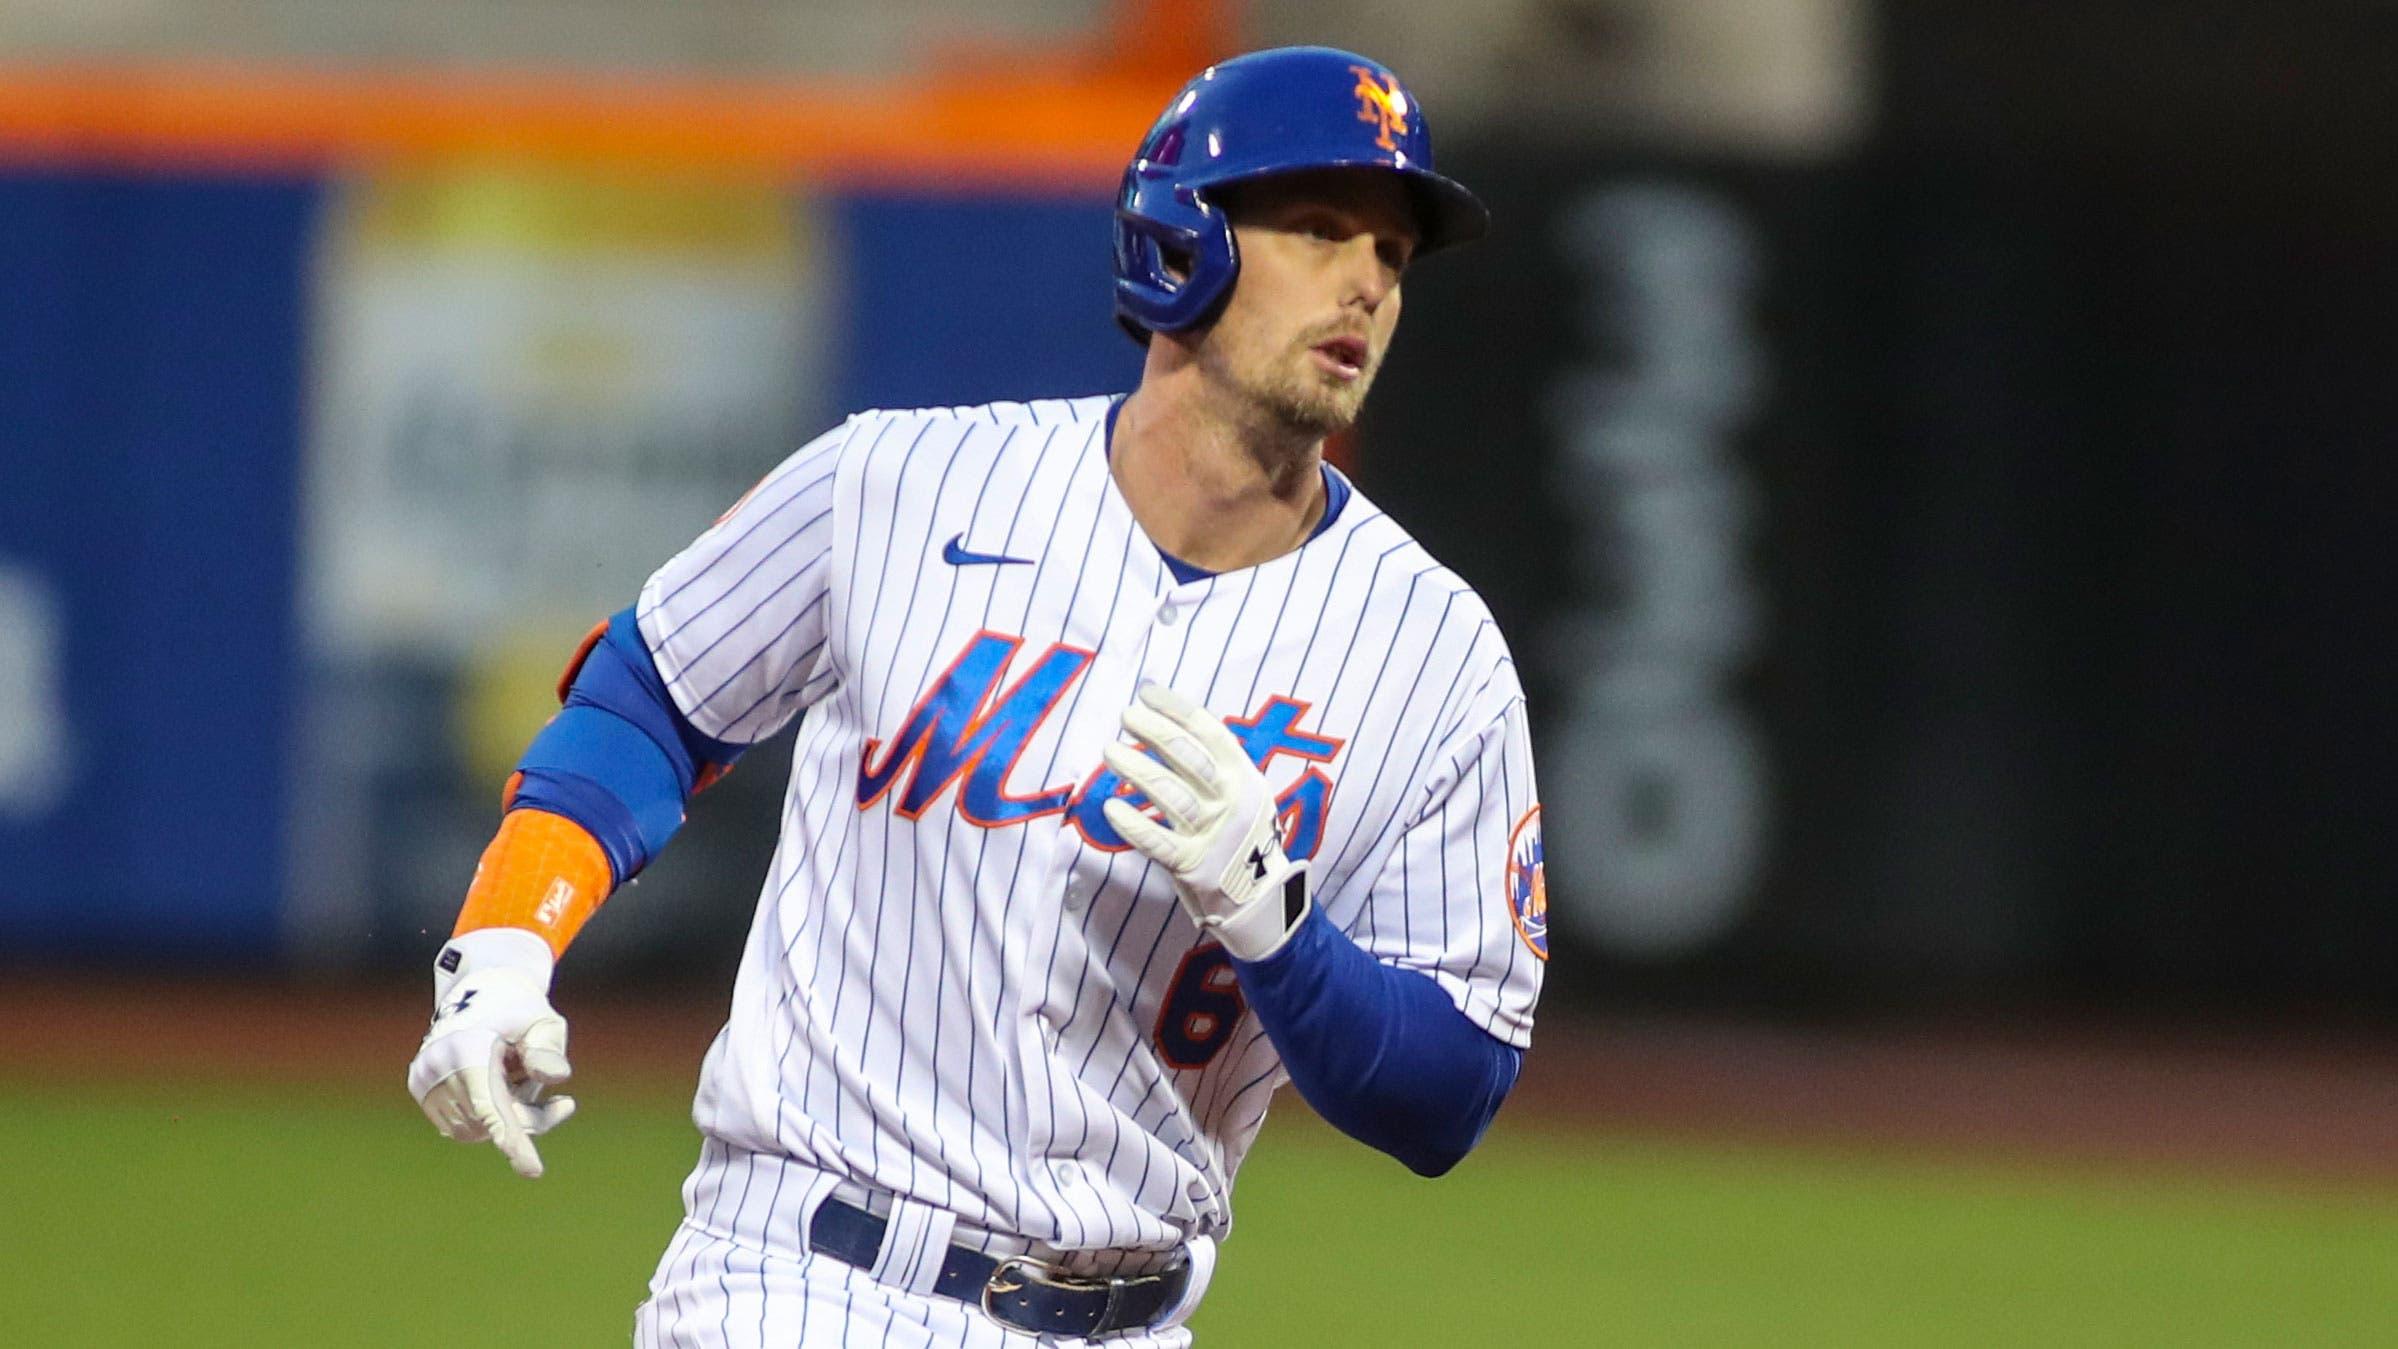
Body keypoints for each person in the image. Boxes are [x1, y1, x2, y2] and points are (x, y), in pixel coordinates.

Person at [405, 45, 1546, 1346]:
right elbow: (650, 696)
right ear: (1183, 240)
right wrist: (503, 942)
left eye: (1393, 255)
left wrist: (1276, 925)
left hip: (1125, 1316)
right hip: (799, 1282)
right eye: (1318, 228)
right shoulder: (903, 484)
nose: (1365, 282)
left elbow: (1448, 1090)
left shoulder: (1435, 653)